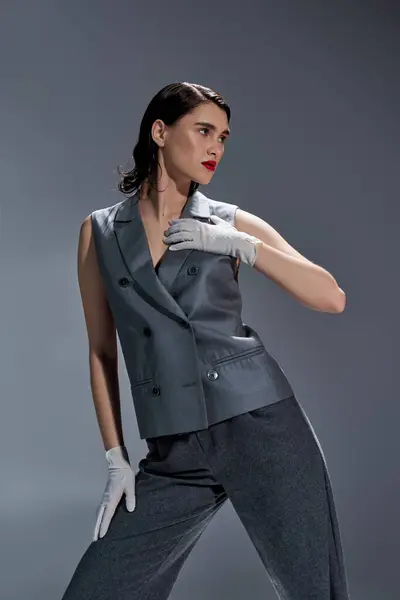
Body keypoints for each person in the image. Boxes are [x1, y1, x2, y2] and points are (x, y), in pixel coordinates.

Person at [61, 82, 350, 599]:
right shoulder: (99, 232)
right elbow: (101, 350)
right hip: (174, 448)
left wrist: (241, 245)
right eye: (203, 131)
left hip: (260, 425)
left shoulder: (229, 222)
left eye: (224, 137)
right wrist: (115, 456)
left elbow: (331, 297)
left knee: (314, 590)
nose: (216, 147)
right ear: (160, 131)